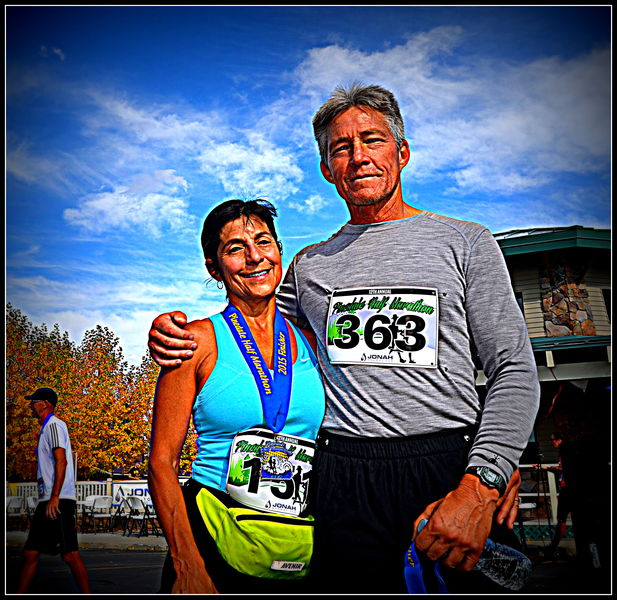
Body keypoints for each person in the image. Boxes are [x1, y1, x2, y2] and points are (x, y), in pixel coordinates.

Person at [147, 83, 540, 593]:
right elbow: (252, 325)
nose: (358, 157)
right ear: (327, 169)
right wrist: (169, 330)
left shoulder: (466, 241)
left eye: (372, 140)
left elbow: (514, 369)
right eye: (340, 148)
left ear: (402, 152)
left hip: (449, 470)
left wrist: (486, 475)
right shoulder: (309, 266)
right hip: (343, 480)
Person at [148, 199, 326, 593]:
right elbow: (162, 463)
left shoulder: (311, 340)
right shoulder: (193, 342)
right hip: (212, 535)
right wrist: (186, 562)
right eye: (234, 249)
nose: (254, 257)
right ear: (214, 267)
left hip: (296, 541)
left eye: (263, 242)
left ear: (279, 251)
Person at [16, 387, 91, 594]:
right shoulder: (45, 428)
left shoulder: (55, 426)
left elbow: (62, 460)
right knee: (31, 552)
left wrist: (55, 497)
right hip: (47, 499)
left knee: (70, 554)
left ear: (46, 404)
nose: (31, 405)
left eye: (34, 401)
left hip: (59, 500)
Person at [535, 432, 572, 559]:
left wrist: (546, 468)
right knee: (561, 519)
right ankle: (553, 546)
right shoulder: (562, 452)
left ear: (560, 439)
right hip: (565, 489)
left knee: (561, 519)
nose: (552, 442)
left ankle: (553, 547)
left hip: (569, 490)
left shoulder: (567, 451)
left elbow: (564, 469)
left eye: (554, 440)